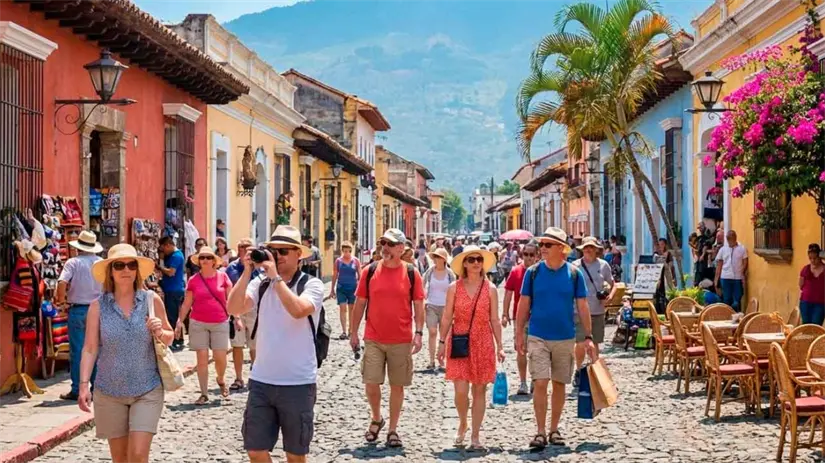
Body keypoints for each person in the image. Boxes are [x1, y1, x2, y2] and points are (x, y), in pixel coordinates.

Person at [227, 226, 325, 463]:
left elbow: (298, 310)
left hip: (298, 382)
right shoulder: (260, 283)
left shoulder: (312, 285)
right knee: (255, 449)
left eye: (283, 251)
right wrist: (246, 271)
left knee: (295, 455)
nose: (276, 256)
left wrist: (276, 278)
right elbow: (233, 308)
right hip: (262, 380)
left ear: (298, 255)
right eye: (272, 250)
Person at [77, 244, 173, 463]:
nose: (126, 270)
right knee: (120, 459)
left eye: (131, 265)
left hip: (147, 389)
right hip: (109, 391)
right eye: (119, 265)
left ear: (137, 270)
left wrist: (159, 330)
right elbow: (90, 348)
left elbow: (169, 337)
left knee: (138, 455)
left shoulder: (151, 300)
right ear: (111, 271)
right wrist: (83, 385)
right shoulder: (98, 307)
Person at [515, 227, 594, 449]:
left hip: (565, 337)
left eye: (547, 245)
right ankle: (540, 431)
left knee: (560, 383)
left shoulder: (574, 274)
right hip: (538, 335)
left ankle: (554, 429)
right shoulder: (533, 273)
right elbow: (523, 304)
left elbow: (582, 305)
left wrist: (588, 336)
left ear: (561, 248)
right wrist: (518, 334)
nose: (542, 249)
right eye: (541, 245)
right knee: (540, 382)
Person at [350, 228, 425, 448]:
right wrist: (353, 332)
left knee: (397, 386)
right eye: (383, 242)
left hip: (401, 339)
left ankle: (392, 429)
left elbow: (419, 305)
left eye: (390, 244)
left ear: (401, 248)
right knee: (371, 382)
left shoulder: (412, 273)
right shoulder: (370, 271)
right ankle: (376, 417)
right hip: (373, 336)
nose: (385, 247)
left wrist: (419, 333)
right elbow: (360, 303)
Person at [437, 245, 504, 449]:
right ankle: (463, 422)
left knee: (479, 391)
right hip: (459, 340)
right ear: (464, 263)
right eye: (472, 259)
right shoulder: (454, 288)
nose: (476, 263)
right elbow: (447, 316)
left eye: (479, 260)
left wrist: (500, 345)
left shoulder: (490, 289)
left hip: (483, 341)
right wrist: (441, 342)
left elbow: (494, 319)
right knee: (460, 391)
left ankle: (475, 436)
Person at [176, 247, 233, 404]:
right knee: (201, 358)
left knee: (220, 357)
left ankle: (220, 378)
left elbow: (231, 300)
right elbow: (187, 303)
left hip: (220, 321)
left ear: (214, 261)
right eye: (202, 258)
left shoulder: (223, 277)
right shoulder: (194, 280)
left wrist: (238, 317)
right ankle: (204, 393)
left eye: (208, 257)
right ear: (199, 261)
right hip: (198, 322)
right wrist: (180, 321)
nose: (205, 260)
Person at [56, 230, 103, 401]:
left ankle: (77, 388)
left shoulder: (73, 262)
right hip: (98, 310)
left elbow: (62, 282)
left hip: (78, 310)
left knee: (77, 351)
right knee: (96, 350)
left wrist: (61, 301)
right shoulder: (101, 263)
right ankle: (97, 387)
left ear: (79, 247)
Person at [572, 237, 615, 374]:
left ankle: (595, 371)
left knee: (595, 342)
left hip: (597, 310)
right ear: (582, 249)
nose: (588, 250)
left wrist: (609, 297)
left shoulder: (603, 265)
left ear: (596, 249)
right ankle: (578, 369)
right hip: (578, 311)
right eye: (586, 247)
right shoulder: (574, 266)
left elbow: (613, 284)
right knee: (579, 342)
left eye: (591, 247)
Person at [502, 240, 538, 395]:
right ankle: (523, 382)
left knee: (537, 352)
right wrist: (504, 314)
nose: (528, 258)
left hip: (539, 318)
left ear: (537, 256)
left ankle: (536, 380)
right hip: (520, 317)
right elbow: (508, 294)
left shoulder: (541, 272)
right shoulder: (516, 272)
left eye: (531, 255)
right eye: (526, 254)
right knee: (521, 350)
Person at [226, 238, 261, 391]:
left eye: (249, 248)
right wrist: (235, 316)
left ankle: (256, 374)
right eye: (242, 247)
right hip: (236, 310)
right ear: (238, 249)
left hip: (254, 309)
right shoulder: (232, 268)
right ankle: (239, 377)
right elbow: (229, 291)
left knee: (255, 345)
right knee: (237, 345)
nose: (245, 250)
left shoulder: (260, 269)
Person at [422, 248, 456, 371]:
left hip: (446, 307)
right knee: (432, 332)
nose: (436, 259)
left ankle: (442, 359)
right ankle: (431, 360)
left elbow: (455, 289)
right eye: (435, 257)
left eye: (438, 257)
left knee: (444, 334)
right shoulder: (430, 272)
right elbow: (422, 284)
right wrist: (423, 299)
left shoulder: (450, 274)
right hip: (431, 305)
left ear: (444, 259)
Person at [158, 236, 187, 351]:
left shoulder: (176, 256)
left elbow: (171, 272)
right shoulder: (172, 256)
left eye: (163, 248)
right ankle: (179, 339)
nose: (163, 251)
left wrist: (159, 267)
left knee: (172, 316)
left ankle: (174, 341)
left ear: (168, 245)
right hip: (172, 289)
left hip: (173, 290)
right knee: (174, 316)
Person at [330, 241, 361, 340]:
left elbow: (360, 276)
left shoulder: (356, 261)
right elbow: (335, 275)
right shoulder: (338, 261)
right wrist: (332, 289)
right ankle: (343, 331)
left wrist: (361, 289)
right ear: (342, 251)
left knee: (352, 309)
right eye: (345, 251)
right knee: (342, 308)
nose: (347, 253)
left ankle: (351, 330)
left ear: (351, 251)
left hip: (353, 288)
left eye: (348, 251)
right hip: (341, 287)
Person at [714, 230, 748, 312]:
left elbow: (745, 262)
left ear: (735, 238)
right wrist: (716, 280)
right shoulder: (723, 250)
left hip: (737, 278)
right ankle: (727, 317)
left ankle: (737, 317)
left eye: (731, 239)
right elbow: (719, 265)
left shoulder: (742, 249)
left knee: (737, 299)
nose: (730, 241)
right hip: (725, 277)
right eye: (728, 239)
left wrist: (742, 273)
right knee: (727, 299)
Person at [800, 243, 825, 325]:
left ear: (819, 257)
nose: (812, 260)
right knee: (806, 326)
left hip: (820, 304)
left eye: (815, 258)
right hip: (805, 303)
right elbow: (801, 284)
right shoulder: (805, 269)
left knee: (816, 326)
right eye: (810, 258)